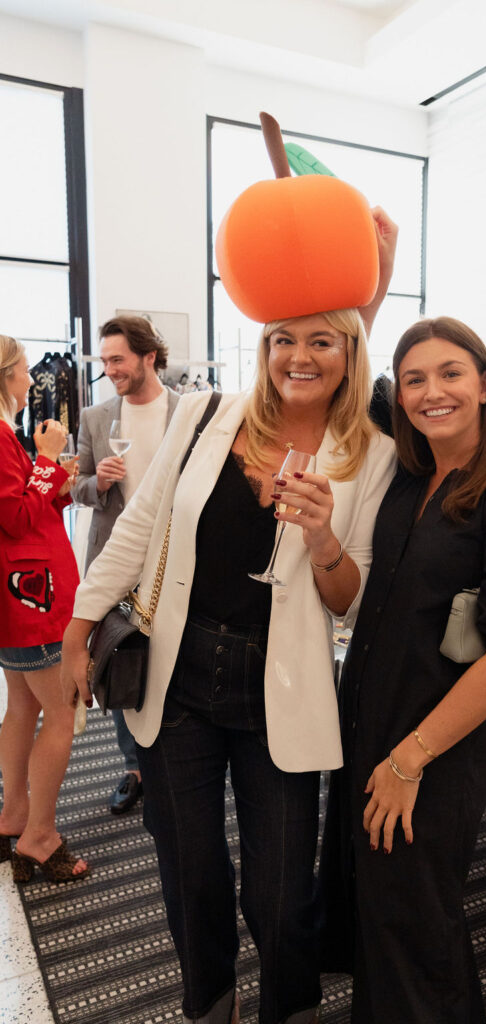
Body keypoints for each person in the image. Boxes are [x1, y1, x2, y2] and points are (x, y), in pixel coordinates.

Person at [60, 205, 398, 1024]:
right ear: (264, 347)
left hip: (279, 688)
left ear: (349, 350)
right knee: (191, 872)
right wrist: (78, 626)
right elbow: (139, 527)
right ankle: (209, 1005)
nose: (299, 355)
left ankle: (287, 1005)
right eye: (284, 338)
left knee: (281, 894)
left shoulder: (371, 455)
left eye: (322, 339)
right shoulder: (205, 414)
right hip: (176, 677)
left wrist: (321, 535)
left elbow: (352, 600)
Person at [321, 316, 486, 1023]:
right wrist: (370, 286)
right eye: (414, 380)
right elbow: (349, 371)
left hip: (431, 743)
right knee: (384, 915)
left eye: (450, 373)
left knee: (412, 924)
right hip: (372, 724)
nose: (431, 392)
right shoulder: (413, 478)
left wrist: (410, 759)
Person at [71, 315, 180, 815]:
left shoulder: (187, 413)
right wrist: (101, 483)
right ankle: (134, 766)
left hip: (177, 558)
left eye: (118, 360)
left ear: (148, 357)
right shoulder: (96, 418)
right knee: (118, 657)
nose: (110, 369)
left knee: (175, 657)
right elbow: (77, 488)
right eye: (106, 361)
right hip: (116, 557)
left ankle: (175, 759)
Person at [0, 335, 88, 884]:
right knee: (60, 713)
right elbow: (13, 516)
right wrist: (49, 460)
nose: (31, 381)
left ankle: (13, 812)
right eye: (24, 372)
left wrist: (55, 477)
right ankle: (39, 834)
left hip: (17, 593)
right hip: (32, 594)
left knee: (22, 707)